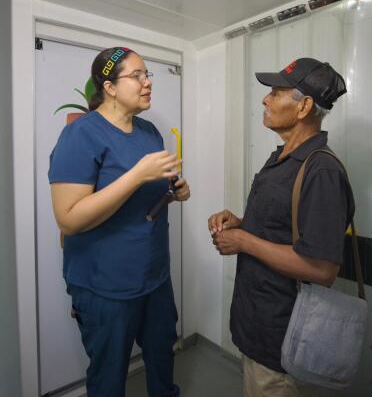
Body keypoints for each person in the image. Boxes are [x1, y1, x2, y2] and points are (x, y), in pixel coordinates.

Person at [208, 58, 355, 397]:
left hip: (282, 338)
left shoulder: (322, 171)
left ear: (304, 106)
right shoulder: (280, 158)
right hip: (256, 324)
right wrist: (241, 224)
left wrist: (244, 241)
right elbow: (283, 228)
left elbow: (322, 269)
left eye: (275, 93)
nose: (265, 99)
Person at [49, 47, 189, 397]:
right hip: (105, 285)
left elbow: (148, 192)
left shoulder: (149, 132)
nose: (147, 83)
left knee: (162, 355)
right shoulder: (81, 135)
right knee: (109, 376)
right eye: (137, 76)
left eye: (147, 74)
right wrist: (137, 175)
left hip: (154, 276)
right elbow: (69, 219)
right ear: (109, 87)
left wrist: (174, 190)